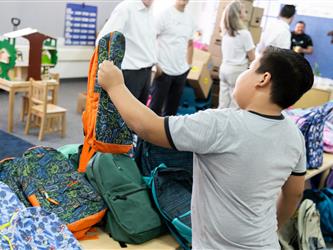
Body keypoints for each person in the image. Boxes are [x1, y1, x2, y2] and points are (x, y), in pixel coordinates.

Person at [97, 46, 313, 249]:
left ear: (263, 79)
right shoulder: (294, 135)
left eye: (250, 68)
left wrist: (115, 85)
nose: (244, 73)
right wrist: (271, 227)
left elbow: (149, 127)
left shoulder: (223, 124)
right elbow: (294, 194)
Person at [96, 0, 156, 104]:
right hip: (130, 73)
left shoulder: (150, 12)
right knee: (126, 116)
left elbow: (148, 42)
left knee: (141, 115)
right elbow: (103, 40)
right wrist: (108, 69)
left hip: (146, 71)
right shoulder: (126, 8)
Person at [149, 0, 195, 116]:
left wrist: (188, 65)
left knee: (171, 113)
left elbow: (190, 43)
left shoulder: (190, 19)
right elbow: (150, 38)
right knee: (154, 110)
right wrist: (156, 64)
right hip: (163, 71)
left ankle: (165, 135)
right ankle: (145, 135)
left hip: (181, 72)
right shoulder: (164, 15)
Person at [218, 1, 255, 109]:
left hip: (224, 69)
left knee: (223, 104)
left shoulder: (225, 32)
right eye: (244, 10)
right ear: (239, 14)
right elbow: (252, 57)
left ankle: (217, 125)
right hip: (236, 72)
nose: (246, 12)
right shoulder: (244, 33)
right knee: (235, 106)